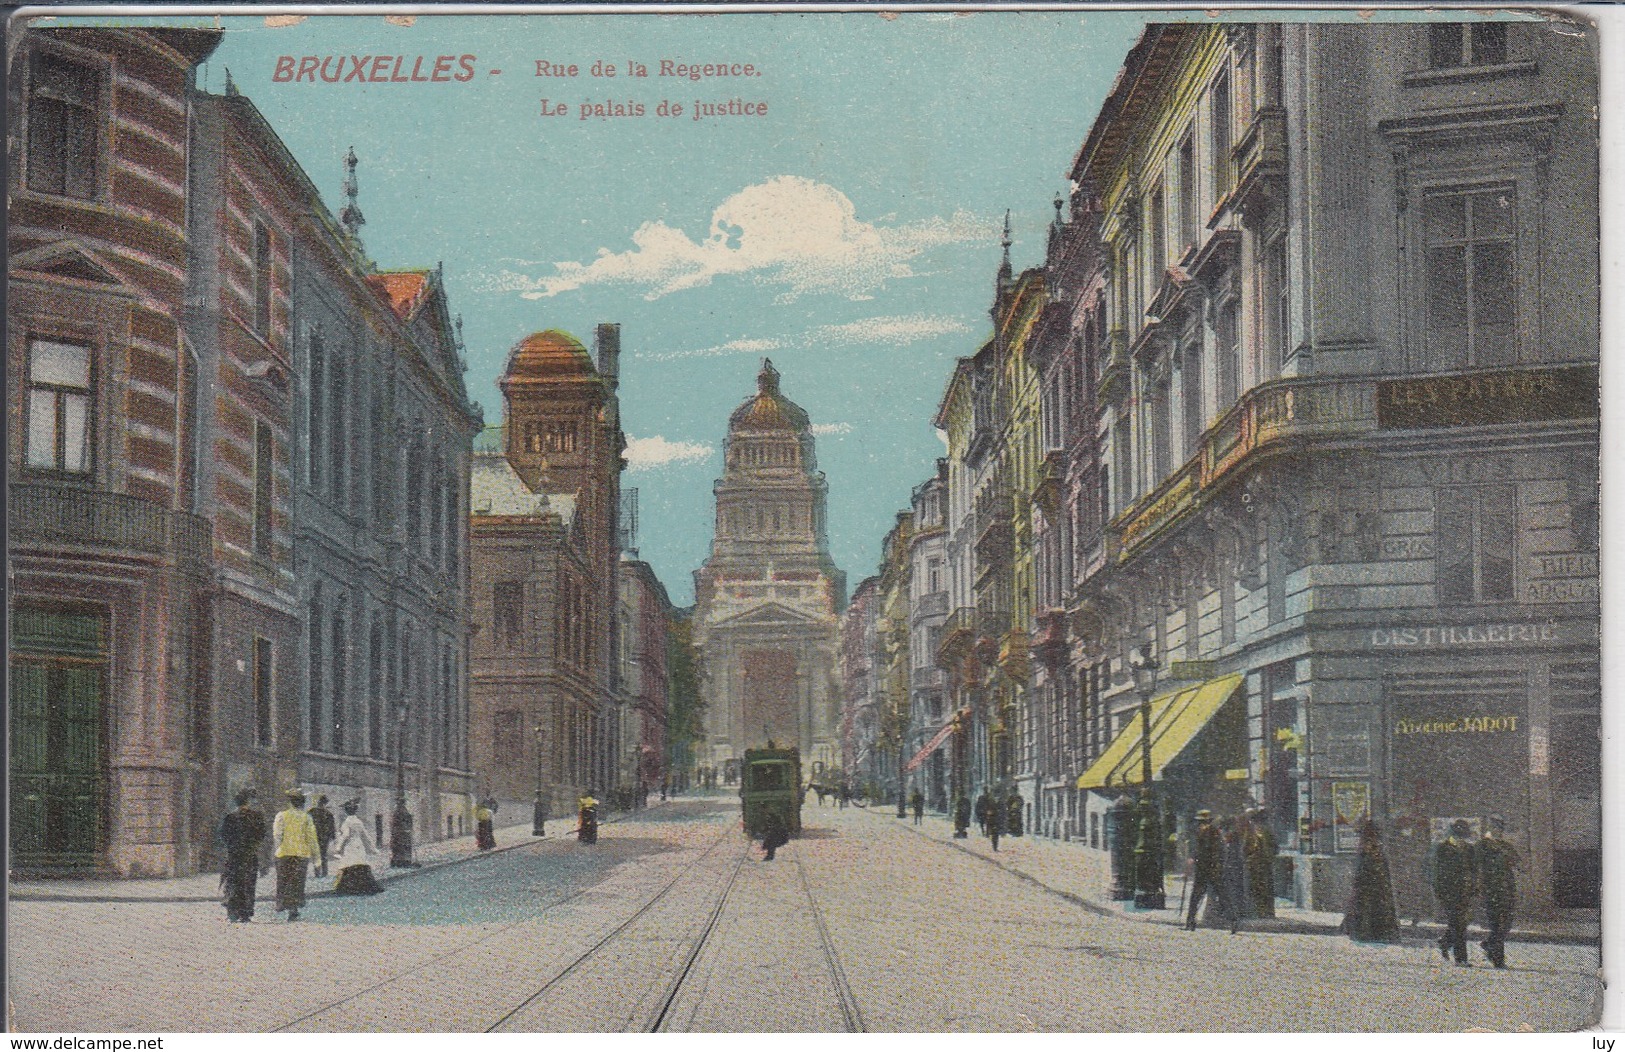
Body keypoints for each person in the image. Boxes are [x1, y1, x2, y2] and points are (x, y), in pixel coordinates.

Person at [1340, 819, 1400, 942]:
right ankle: (1375, 933)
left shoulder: (1368, 850)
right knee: (1372, 912)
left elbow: (1362, 870)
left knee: (1366, 912)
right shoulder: (1375, 850)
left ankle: (1366, 932)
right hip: (1374, 889)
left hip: (1369, 888)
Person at [1477, 814, 1520, 969]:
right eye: (1494, 828)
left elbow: (1518, 863)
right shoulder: (1482, 846)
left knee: (1507, 924)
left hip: (1507, 889)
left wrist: (1508, 855)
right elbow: (1476, 867)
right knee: (1497, 925)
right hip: (1491, 889)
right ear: (1488, 829)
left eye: (1499, 828)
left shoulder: (1506, 846)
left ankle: (1489, 944)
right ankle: (1498, 959)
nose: (1497, 831)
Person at [1433, 818, 1477, 966]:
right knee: (1458, 924)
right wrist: (1439, 891)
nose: (1460, 839)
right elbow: (1438, 872)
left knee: (1459, 923)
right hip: (1449, 892)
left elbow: (1473, 871)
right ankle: (1461, 958)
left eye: (1462, 836)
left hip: (1464, 891)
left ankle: (1445, 942)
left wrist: (1474, 889)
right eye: (1457, 835)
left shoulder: (1469, 849)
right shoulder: (1443, 848)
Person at [220, 788, 267, 923]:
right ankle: (245, 913)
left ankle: (233, 911)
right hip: (249, 855)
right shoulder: (256, 816)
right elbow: (261, 835)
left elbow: (223, 835)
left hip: (234, 855)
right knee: (248, 883)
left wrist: (232, 846)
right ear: (247, 802)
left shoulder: (230, 817)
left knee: (233, 882)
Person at [273, 789, 320, 922]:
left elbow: (277, 835)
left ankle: (282, 904)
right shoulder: (307, 818)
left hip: (284, 854)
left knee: (284, 880)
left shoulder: (281, 816)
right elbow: (312, 839)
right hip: (301, 854)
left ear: (291, 802)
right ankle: (293, 909)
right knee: (297, 882)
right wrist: (317, 861)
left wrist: (279, 849)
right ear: (302, 803)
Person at [332, 799, 385, 895]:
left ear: (346, 811)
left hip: (350, 846)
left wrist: (338, 847)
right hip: (359, 845)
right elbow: (365, 836)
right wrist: (373, 849)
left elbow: (345, 835)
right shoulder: (358, 822)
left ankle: (350, 888)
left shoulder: (346, 823)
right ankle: (364, 887)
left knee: (349, 865)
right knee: (360, 864)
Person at [1185, 810, 1222, 931]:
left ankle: (1190, 921)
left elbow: (1199, 850)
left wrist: (1192, 859)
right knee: (1221, 892)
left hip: (1203, 867)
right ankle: (1234, 920)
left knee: (1196, 895)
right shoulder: (1215, 832)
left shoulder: (1202, 832)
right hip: (1212, 867)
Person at [1245, 807, 1277, 918]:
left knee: (1262, 887)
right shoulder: (1253, 830)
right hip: (1258, 863)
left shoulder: (1261, 830)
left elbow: (1273, 846)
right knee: (1259, 887)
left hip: (1261, 862)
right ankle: (1262, 912)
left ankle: (1264, 912)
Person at [1218, 816, 1249, 933]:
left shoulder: (1232, 837)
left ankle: (1234, 918)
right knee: (1232, 894)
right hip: (1231, 868)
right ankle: (1233, 917)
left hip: (1232, 869)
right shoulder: (1233, 836)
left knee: (1232, 894)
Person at [308, 795, 336, 878]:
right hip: (324, 837)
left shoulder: (311, 812)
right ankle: (324, 873)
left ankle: (317, 873)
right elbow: (332, 827)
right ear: (325, 803)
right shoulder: (328, 814)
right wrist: (332, 836)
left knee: (316, 854)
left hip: (314, 836)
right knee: (323, 855)